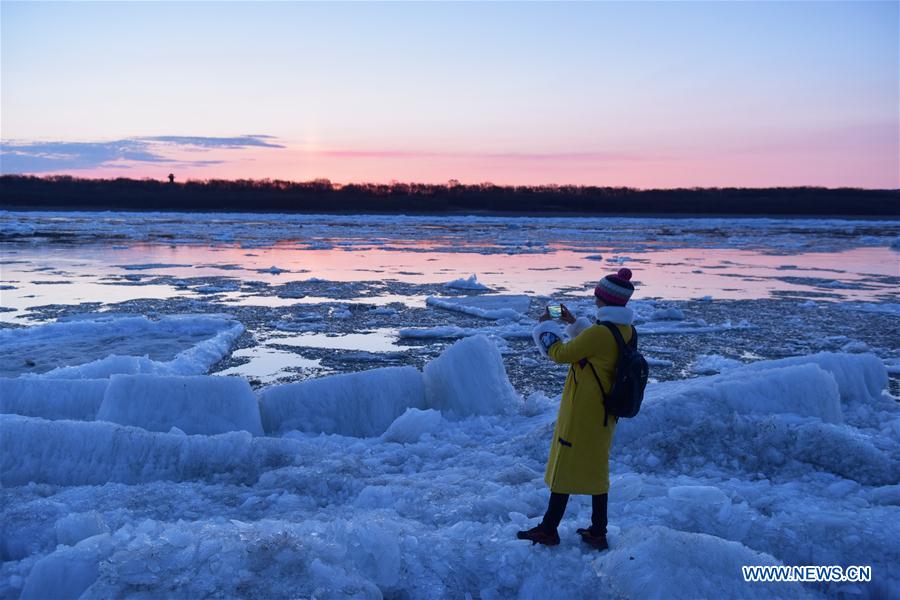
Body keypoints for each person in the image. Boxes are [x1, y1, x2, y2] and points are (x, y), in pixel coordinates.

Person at [517, 267, 636, 550]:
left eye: (598, 295)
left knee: (565, 465)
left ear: (603, 298)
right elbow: (600, 345)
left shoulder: (600, 333)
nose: (595, 299)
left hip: (584, 410)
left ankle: (549, 529)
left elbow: (561, 354)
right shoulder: (626, 330)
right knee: (596, 468)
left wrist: (547, 328)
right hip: (606, 411)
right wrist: (573, 322)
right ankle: (598, 530)